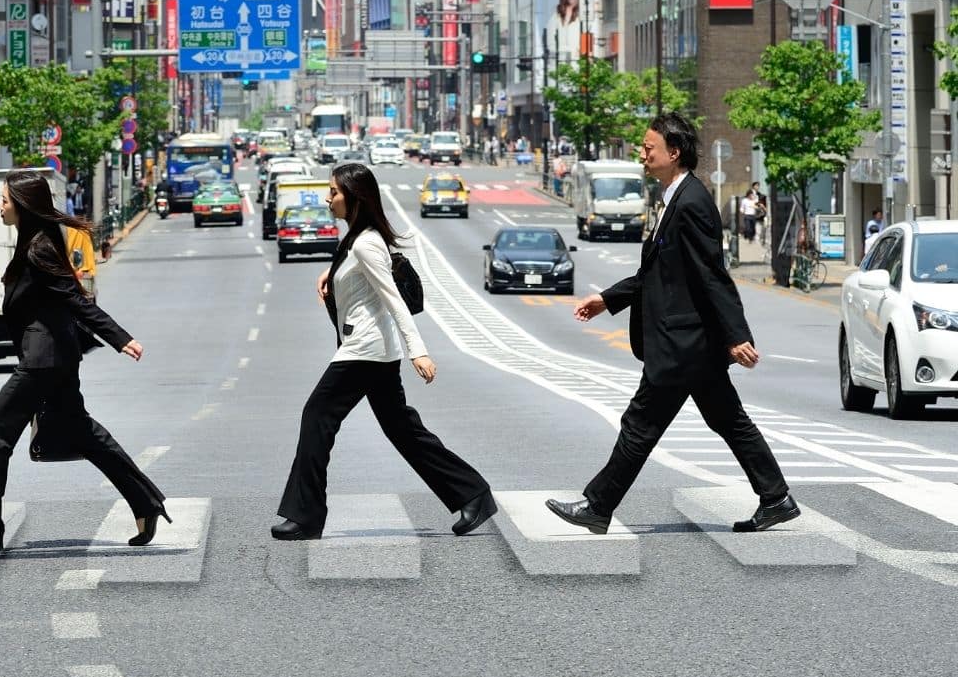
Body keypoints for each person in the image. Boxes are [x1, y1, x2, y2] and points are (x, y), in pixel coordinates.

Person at [545, 113, 799, 535]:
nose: (642, 153)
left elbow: (710, 273)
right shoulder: (673, 198)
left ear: (674, 153)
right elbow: (657, 273)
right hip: (691, 345)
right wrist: (609, 299)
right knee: (728, 420)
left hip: (683, 344)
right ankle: (776, 497)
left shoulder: (693, 202)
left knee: (640, 423)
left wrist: (737, 336)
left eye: (649, 147)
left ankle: (597, 505)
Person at [273, 162, 496, 540]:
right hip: (372, 350)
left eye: (334, 192)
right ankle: (472, 493)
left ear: (354, 197)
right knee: (402, 430)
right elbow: (359, 275)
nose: (328, 199)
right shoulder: (356, 240)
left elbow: (393, 301)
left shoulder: (367, 243)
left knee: (316, 418)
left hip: (365, 350)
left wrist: (418, 351)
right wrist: (333, 274)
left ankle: (306, 515)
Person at [0, 170, 169, 554]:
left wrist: (120, 338)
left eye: (4, 200)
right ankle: (145, 504)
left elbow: (77, 300)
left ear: (22, 205)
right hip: (55, 357)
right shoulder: (33, 241)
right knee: (84, 433)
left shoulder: (38, 248)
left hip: (42, 360)